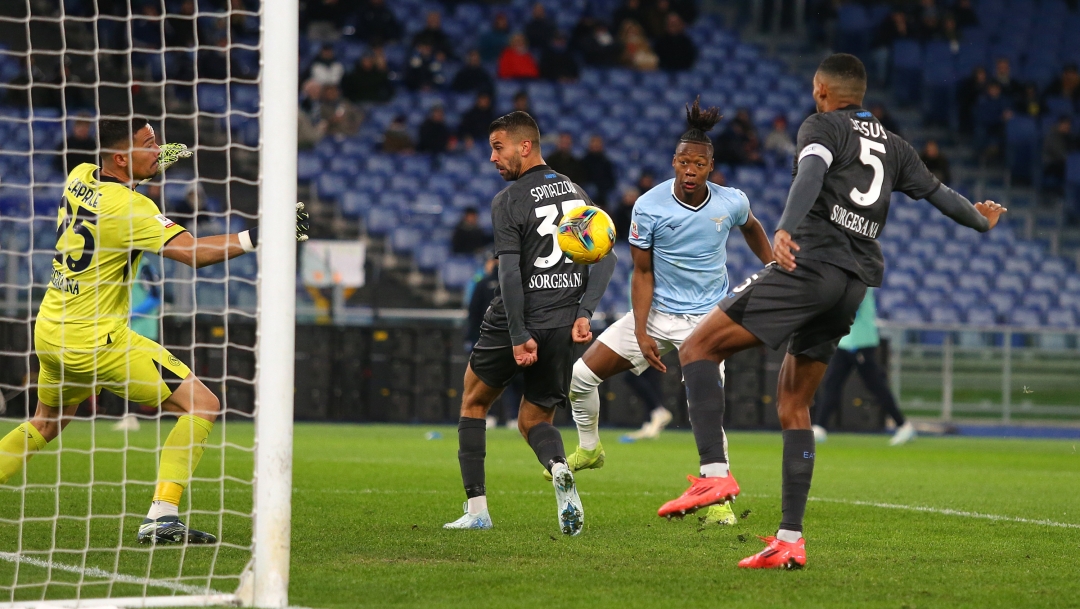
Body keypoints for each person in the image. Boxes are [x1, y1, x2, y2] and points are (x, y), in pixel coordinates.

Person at [666, 54, 1005, 569]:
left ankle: (714, 476)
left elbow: (811, 171)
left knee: (698, 347)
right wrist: (980, 223)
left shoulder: (822, 126)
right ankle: (789, 539)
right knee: (793, 403)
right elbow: (939, 195)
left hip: (811, 264)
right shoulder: (894, 146)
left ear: (822, 88)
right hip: (853, 283)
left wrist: (785, 226)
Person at [0, 117, 309, 544]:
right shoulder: (133, 209)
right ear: (122, 156)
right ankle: (161, 517)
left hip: (51, 330)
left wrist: (156, 157)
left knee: (46, 423)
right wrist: (262, 235)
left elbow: (125, 178)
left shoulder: (79, 177)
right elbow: (193, 253)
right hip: (96, 339)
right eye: (151, 143)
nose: (159, 149)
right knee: (202, 404)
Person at [559, 99, 774, 528]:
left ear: (711, 166)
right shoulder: (648, 205)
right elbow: (641, 273)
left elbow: (752, 226)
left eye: (699, 163)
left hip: (709, 322)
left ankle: (719, 502)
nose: (690, 169)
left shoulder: (730, 202)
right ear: (673, 162)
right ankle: (590, 448)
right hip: (656, 313)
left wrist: (773, 267)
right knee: (581, 379)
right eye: (683, 161)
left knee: (705, 407)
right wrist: (641, 331)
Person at [443, 111, 617, 535]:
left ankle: (478, 510)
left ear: (526, 146)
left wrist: (519, 335)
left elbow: (507, 274)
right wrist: (585, 312)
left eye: (498, 147)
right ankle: (558, 467)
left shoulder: (508, 200)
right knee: (535, 421)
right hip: (562, 322)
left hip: (516, 319)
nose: (491, 157)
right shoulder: (575, 191)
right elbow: (608, 255)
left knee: (473, 402)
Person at [811, 289, 916, 446]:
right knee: (832, 384)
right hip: (846, 342)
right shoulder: (849, 282)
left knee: (876, 386)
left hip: (860, 342)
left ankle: (903, 425)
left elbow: (850, 308)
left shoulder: (861, 283)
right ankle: (819, 427)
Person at [581, 135, 616, 207]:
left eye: (598, 143)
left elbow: (611, 181)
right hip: (585, 196)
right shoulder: (583, 161)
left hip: (602, 197)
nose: (596, 145)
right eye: (594, 143)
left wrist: (601, 189)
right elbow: (580, 179)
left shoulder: (606, 162)